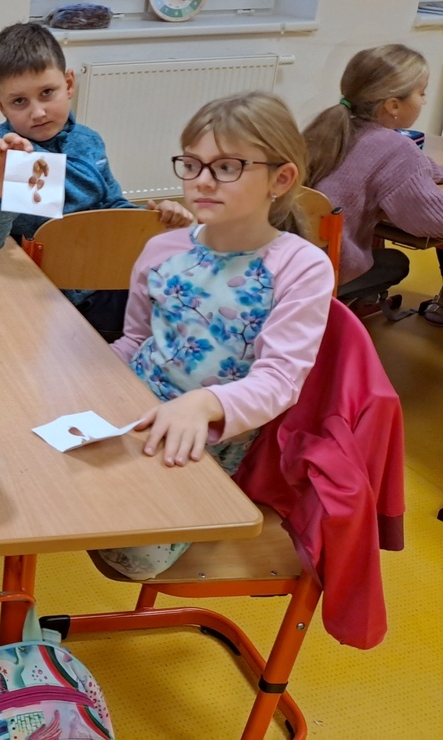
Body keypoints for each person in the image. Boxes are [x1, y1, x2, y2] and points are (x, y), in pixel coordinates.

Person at [96, 92, 335, 580]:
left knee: (131, 553)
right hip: (132, 411)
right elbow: (136, 340)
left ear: (280, 179)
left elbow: (279, 380)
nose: (202, 181)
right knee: (45, 484)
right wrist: (89, 377)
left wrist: (202, 405)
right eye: (192, 164)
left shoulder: (301, 266)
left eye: (227, 167)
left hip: (208, 437)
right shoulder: (162, 249)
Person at [0, 22, 194, 340]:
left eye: (47, 93)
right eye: (19, 101)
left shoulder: (88, 141)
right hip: (39, 297)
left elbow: (109, 205)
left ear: (68, 84)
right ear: (1, 105)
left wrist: (152, 219)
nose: (38, 112)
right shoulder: (8, 157)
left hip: (103, 282)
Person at [302, 43, 443, 320]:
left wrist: (432, 171)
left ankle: (358, 303)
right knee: (396, 262)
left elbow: (410, 167)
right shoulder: (395, 148)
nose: (424, 101)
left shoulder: (330, 128)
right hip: (324, 273)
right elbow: (433, 220)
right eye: (422, 93)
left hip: (287, 261)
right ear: (393, 105)